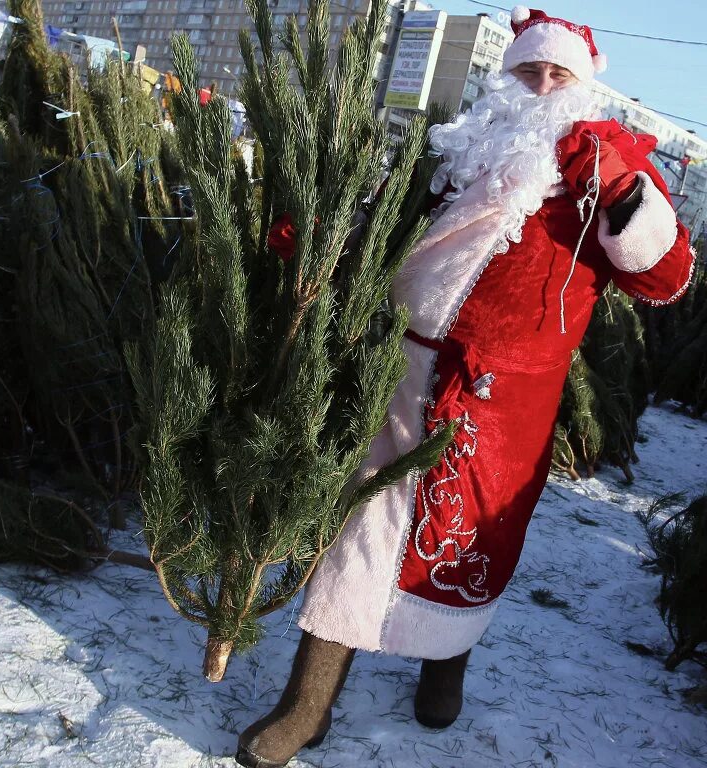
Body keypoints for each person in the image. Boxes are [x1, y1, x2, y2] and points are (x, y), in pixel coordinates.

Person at [236, 6, 695, 767]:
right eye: (528, 69)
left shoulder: (607, 164)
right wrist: (320, 241)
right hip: (401, 370)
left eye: (559, 74)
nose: (542, 85)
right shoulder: (457, 147)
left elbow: (666, 278)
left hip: (504, 405)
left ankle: (445, 665)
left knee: (467, 546)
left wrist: (619, 194)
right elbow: (384, 223)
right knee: (360, 532)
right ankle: (307, 706)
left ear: (583, 88)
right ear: (503, 76)